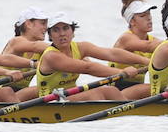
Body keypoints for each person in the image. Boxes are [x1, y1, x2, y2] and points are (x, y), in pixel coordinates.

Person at [13, 12, 146, 102]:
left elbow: (111, 54)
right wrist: (122, 72)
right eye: (56, 30)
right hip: (51, 100)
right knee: (99, 93)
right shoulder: (51, 56)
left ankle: (128, 117)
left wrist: (148, 61)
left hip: (69, 95)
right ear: (50, 35)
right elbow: (88, 68)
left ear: (73, 32)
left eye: (65, 28)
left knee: (110, 90)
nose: (61, 34)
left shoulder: (81, 47)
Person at [109, 0, 161, 92]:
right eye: (143, 16)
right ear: (132, 21)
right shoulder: (126, 38)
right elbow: (150, 46)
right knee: (153, 88)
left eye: (149, 14)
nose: (149, 19)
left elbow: (166, 46)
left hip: (136, 91)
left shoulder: (152, 40)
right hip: (116, 91)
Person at [0, 6, 48, 94]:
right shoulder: (15, 42)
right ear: (29, 24)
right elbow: (35, 46)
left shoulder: (42, 51)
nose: (46, 28)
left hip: (20, 94)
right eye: (43, 23)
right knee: (40, 89)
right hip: (1, 91)